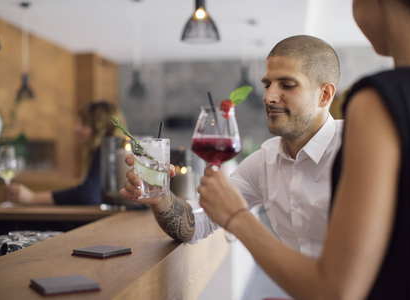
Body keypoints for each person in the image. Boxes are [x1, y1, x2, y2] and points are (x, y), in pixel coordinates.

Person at [197, 0, 410, 299]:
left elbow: (336, 291)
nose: (270, 97)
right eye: (268, 84)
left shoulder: (382, 99)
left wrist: (236, 218)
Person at [120, 34, 343, 259]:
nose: (268, 97)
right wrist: (160, 198)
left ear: (324, 95)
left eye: (287, 85)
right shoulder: (264, 161)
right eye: (267, 85)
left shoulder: (355, 149)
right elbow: (195, 224)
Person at [5, 101, 124, 205]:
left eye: (84, 124)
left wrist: (32, 198)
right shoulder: (112, 152)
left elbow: (87, 194)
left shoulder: (104, 151)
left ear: (100, 129)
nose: (76, 128)